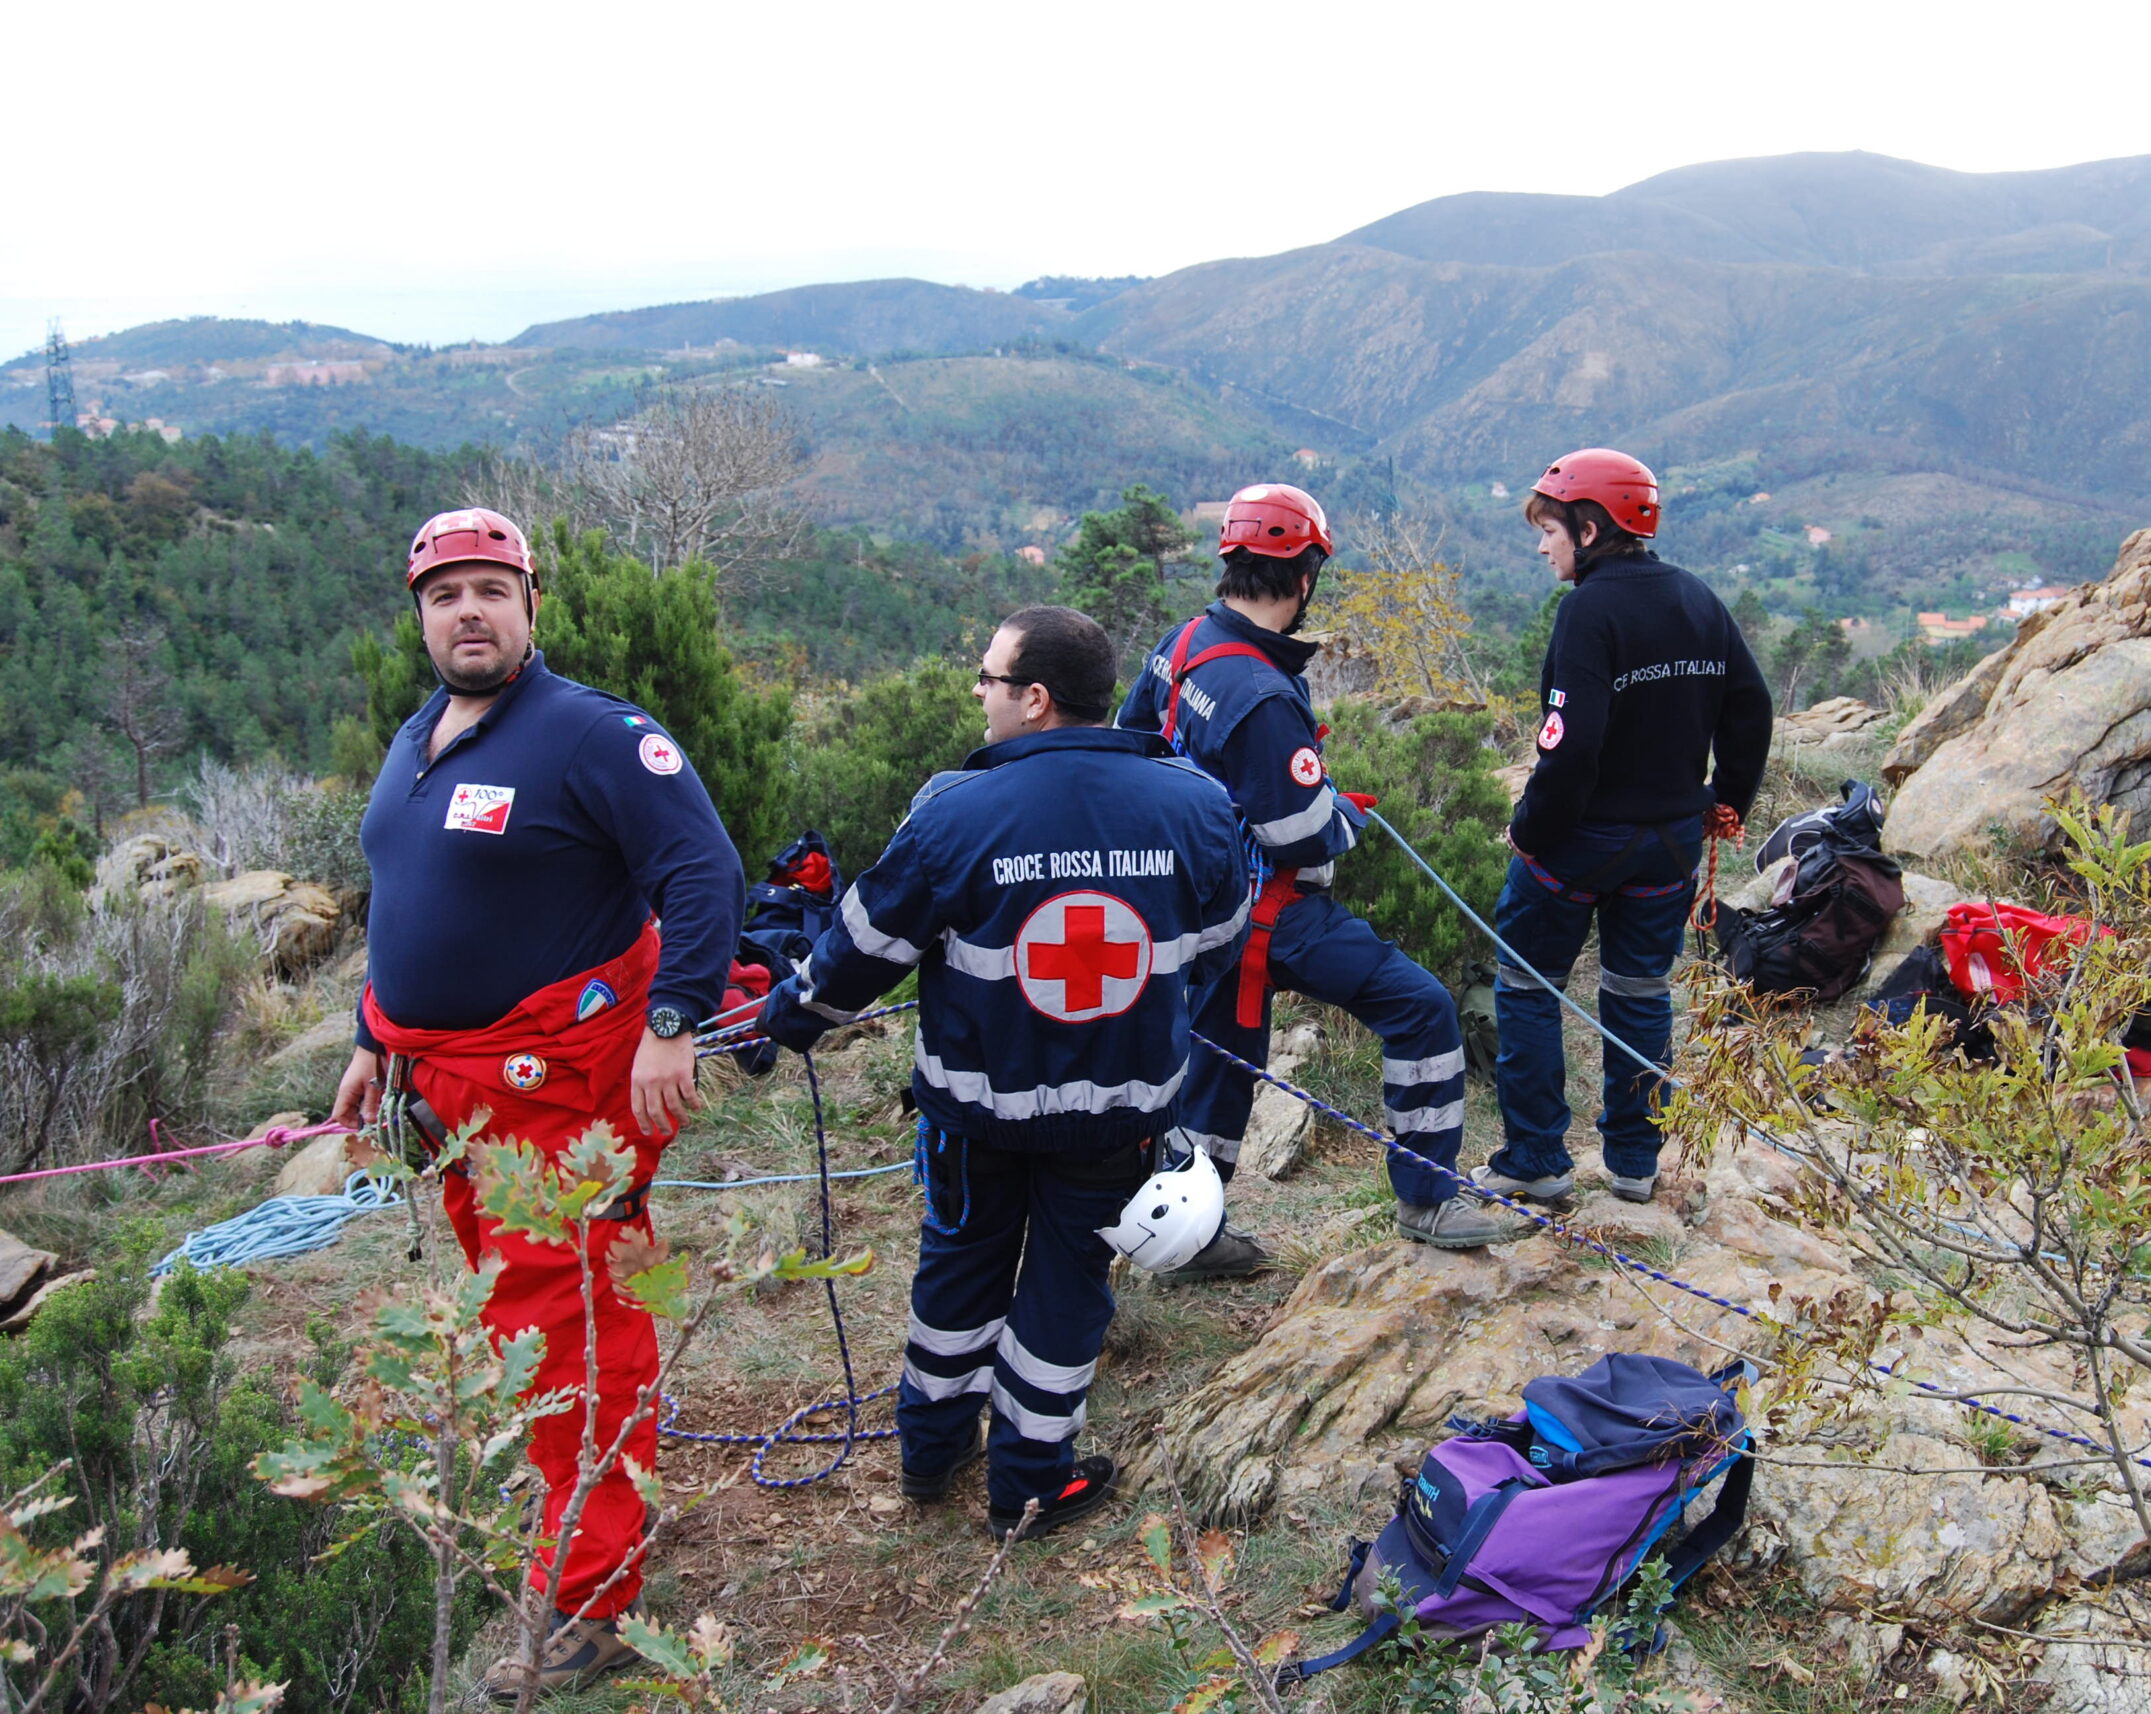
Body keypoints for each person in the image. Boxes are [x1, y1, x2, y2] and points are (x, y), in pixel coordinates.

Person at [327, 508, 745, 1695]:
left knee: (579, 1321)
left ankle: (597, 1602)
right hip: (444, 1086)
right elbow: (404, 890)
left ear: (530, 605)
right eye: (445, 592)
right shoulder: (423, 734)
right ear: (419, 613)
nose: (469, 610)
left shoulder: (589, 734)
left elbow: (702, 869)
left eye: (491, 590)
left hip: (555, 1089)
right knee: (516, 1318)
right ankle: (567, 1492)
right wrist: (371, 1031)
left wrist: (674, 1022)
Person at [760, 606, 1250, 1537]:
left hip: (973, 1117)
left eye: (988, 678)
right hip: (1117, 1118)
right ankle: (1029, 1485)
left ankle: (929, 1456)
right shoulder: (1195, 805)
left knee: (958, 1274)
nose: (977, 693)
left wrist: (788, 1021)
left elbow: (859, 953)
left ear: (1033, 699)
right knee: (1070, 1292)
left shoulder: (958, 811)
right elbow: (1216, 946)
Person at [1119, 484, 1513, 1273]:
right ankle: (1427, 1196)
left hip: (1186, 905)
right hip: (1268, 911)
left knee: (1217, 1074)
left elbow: (1134, 742)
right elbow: (1299, 836)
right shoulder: (1262, 693)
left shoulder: (1185, 641)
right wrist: (1344, 816)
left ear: (1232, 560)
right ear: (1304, 579)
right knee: (1421, 1008)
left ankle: (1186, 1236)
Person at [1472, 450, 1772, 1206]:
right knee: (1640, 990)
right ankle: (1635, 1162)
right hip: (1669, 841)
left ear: (1591, 525)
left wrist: (1532, 830)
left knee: (1528, 984)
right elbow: (1751, 707)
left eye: (1550, 529)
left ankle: (1536, 1157)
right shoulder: (1697, 598)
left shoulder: (1588, 611)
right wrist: (1725, 797)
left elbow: (1570, 747)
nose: (1543, 545)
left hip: (1582, 843)